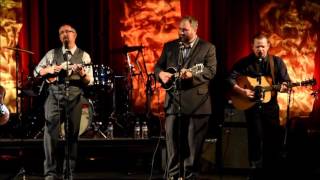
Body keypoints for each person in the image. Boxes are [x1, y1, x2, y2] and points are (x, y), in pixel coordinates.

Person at [155, 16, 217, 180]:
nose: (180, 32)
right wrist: (160, 74)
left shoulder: (207, 47)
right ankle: (172, 176)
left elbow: (211, 71)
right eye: (180, 29)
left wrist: (191, 75)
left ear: (195, 29)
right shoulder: (170, 46)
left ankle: (190, 176)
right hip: (173, 103)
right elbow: (158, 66)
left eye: (185, 30)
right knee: (172, 143)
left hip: (198, 104)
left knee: (193, 146)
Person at [226, 32, 290, 179]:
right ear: (252, 47)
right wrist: (241, 90)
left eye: (262, 46)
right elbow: (230, 78)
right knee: (255, 138)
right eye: (257, 47)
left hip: (270, 108)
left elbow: (285, 80)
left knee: (272, 139)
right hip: (252, 107)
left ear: (268, 46)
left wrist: (284, 86)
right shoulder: (245, 62)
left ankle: (271, 171)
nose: (260, 49)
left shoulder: (276, 62)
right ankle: (254, 171)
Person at [34, 24, 93, 180]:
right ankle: (50, 174)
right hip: (54, 96)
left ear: (75, 35)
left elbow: (89, 81)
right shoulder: (52, 54)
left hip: (75, 98)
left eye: (68, 31)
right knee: (50, 135)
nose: (65, 34)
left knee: (72, 136)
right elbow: (37, 71)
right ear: (60, 37)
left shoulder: (84, 55)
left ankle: (69, 173)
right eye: (61, 32)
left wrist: (82, 73)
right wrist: (49, 70)